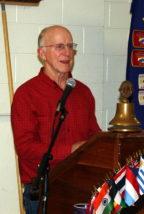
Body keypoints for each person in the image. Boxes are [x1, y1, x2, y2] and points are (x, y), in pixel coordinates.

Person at [11, 25, 101, 213]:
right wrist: (70, 150)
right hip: (44, 191)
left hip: (82, 188)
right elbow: (25, 148)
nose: (67, 52)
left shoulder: (83, 92)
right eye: (59, 46)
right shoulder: (26, 94)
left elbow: (95, 137)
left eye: (70, 46)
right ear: (42, 54)